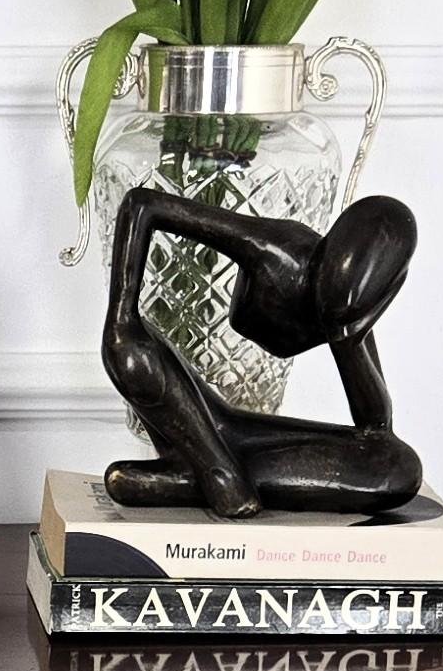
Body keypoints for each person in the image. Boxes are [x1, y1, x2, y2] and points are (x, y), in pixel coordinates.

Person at [100, 184, 424, 517]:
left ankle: (196, 472)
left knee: (397, 466)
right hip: (184, 395)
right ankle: (217, 470)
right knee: (128, 351)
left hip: (229, 425)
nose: (328, 327)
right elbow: (143, 203)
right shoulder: (277, 250)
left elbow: (376, 427)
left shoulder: (349, 316)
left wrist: (350, 340)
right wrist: (122, 314)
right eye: (321, 304)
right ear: (322, 263)